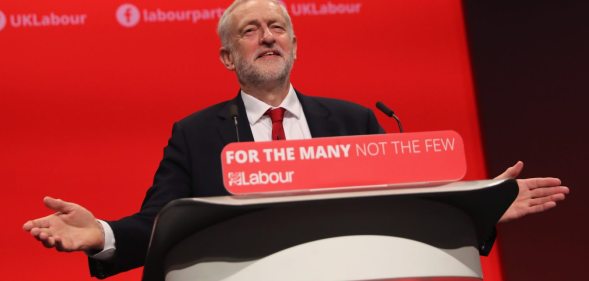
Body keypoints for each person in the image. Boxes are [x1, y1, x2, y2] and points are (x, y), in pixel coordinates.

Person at [23, 0, 570, 278]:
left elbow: (403, 205)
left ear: (295, 45)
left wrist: (480, 205)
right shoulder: (196, 134)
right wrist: (102, 234)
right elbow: (163, 221)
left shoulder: (353, 120)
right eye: (251, 30)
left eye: (278, 27)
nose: (267, 36)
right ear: (227, 57)